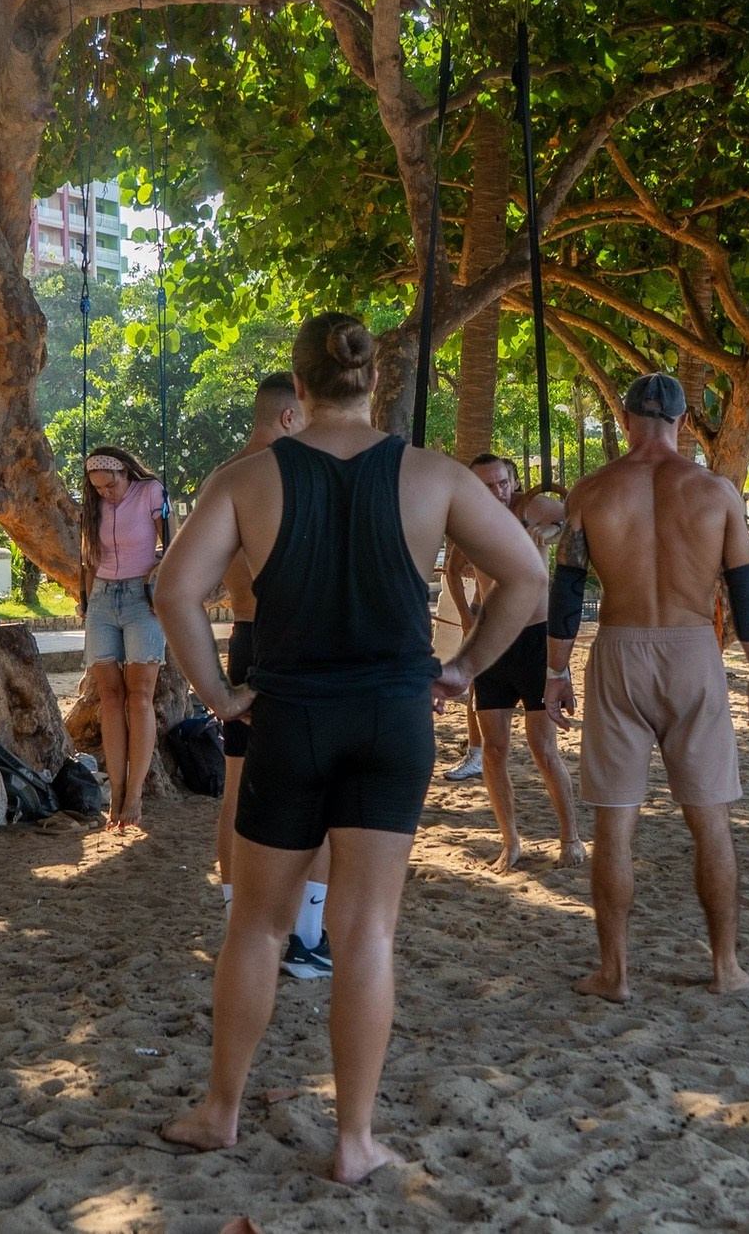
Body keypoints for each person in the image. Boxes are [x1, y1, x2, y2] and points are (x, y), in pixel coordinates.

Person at [153, 313, 547, 1183]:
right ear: (373, 384)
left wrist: (218, 695)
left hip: (288, 716)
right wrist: (464, 667)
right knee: (366, 929)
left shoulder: (247, 478)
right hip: (392, 720)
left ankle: (220, 1111)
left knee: (258, 925)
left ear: (297, 391)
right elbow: (527, 573)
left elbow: (173, 590)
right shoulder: (433, 475)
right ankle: (356, 1141)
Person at [545, 374, 749, 1000]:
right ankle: (726, 968)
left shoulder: (591, 491)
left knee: (615, 825)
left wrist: (557, 671)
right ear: (684, 421)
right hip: (693, 651)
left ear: (624, 420)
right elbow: (746, 591)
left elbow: (566, 593)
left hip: (620, 650)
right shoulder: (717, 492)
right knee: (711, 821)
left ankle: (614, 973)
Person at [211, 374, 336, 979]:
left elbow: (186, 588)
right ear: (290, 417)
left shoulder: (225, 478)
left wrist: (215, 690)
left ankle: (238, 922)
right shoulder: (300, 474)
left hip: (246, 638)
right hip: (300, 646)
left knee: (238, 790)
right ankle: (307, 936)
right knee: (321, 792)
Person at [447, 454, 583, 871]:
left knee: (543, 749)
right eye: (487, 485)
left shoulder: (533, 506)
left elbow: (578, 516)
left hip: (536, 640)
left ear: (514, 480)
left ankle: (571, 838)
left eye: (502, 482)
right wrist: (467, 616)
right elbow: (452, 569)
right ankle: (511, 842)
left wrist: (554, 530)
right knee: (494, 749)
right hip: (493, 643)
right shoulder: (468, 520)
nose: (497, 492)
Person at [80, 445, 167, 833]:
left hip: (141, 597)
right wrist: (86, 603)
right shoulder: (94, 503)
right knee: (110, 696)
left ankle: (135, 792)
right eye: (98, 488)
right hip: (101, 598)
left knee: (140, 695)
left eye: (110, 486)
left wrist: (161, 581)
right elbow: (89, 559)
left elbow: (172, 546)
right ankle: (115, 789)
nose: (106, 493)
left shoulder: (150, 492)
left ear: (125, 472)